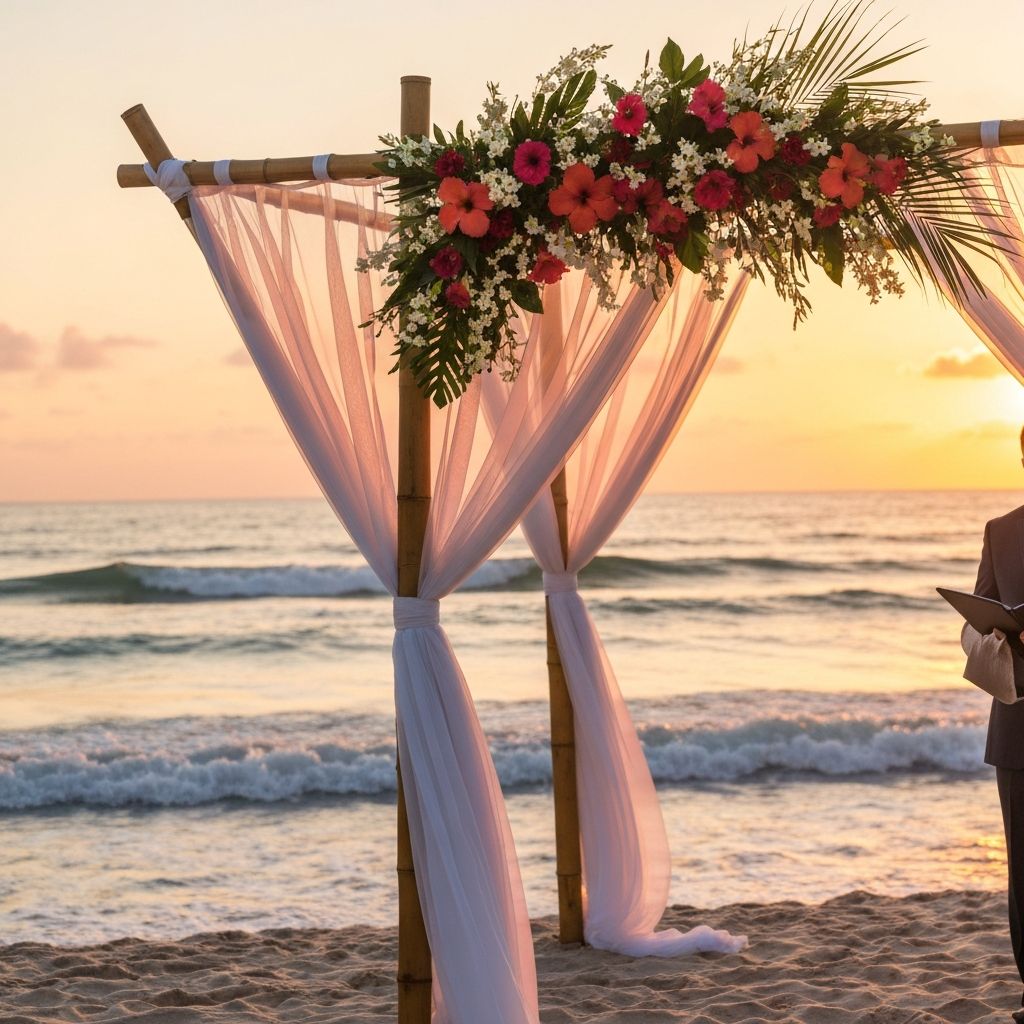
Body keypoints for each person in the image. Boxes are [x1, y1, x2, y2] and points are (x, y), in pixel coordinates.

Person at [970, 429, 1024, 1021]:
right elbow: (973, 623)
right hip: (1018, 726)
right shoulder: (1001, 531)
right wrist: (990, 630)